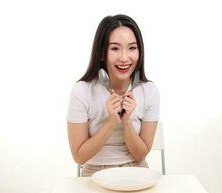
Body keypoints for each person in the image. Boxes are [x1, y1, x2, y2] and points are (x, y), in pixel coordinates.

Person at [67, 14, 160, 177]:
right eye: (115, 48)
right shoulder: (82, 91)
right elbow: (79, 157)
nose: (124, 58)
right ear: (102, 53)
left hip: (136, 169)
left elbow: (140, 155)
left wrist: (126, 122)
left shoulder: (149, 91)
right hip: (94, 172)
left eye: (132, 48)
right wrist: (111, 122)